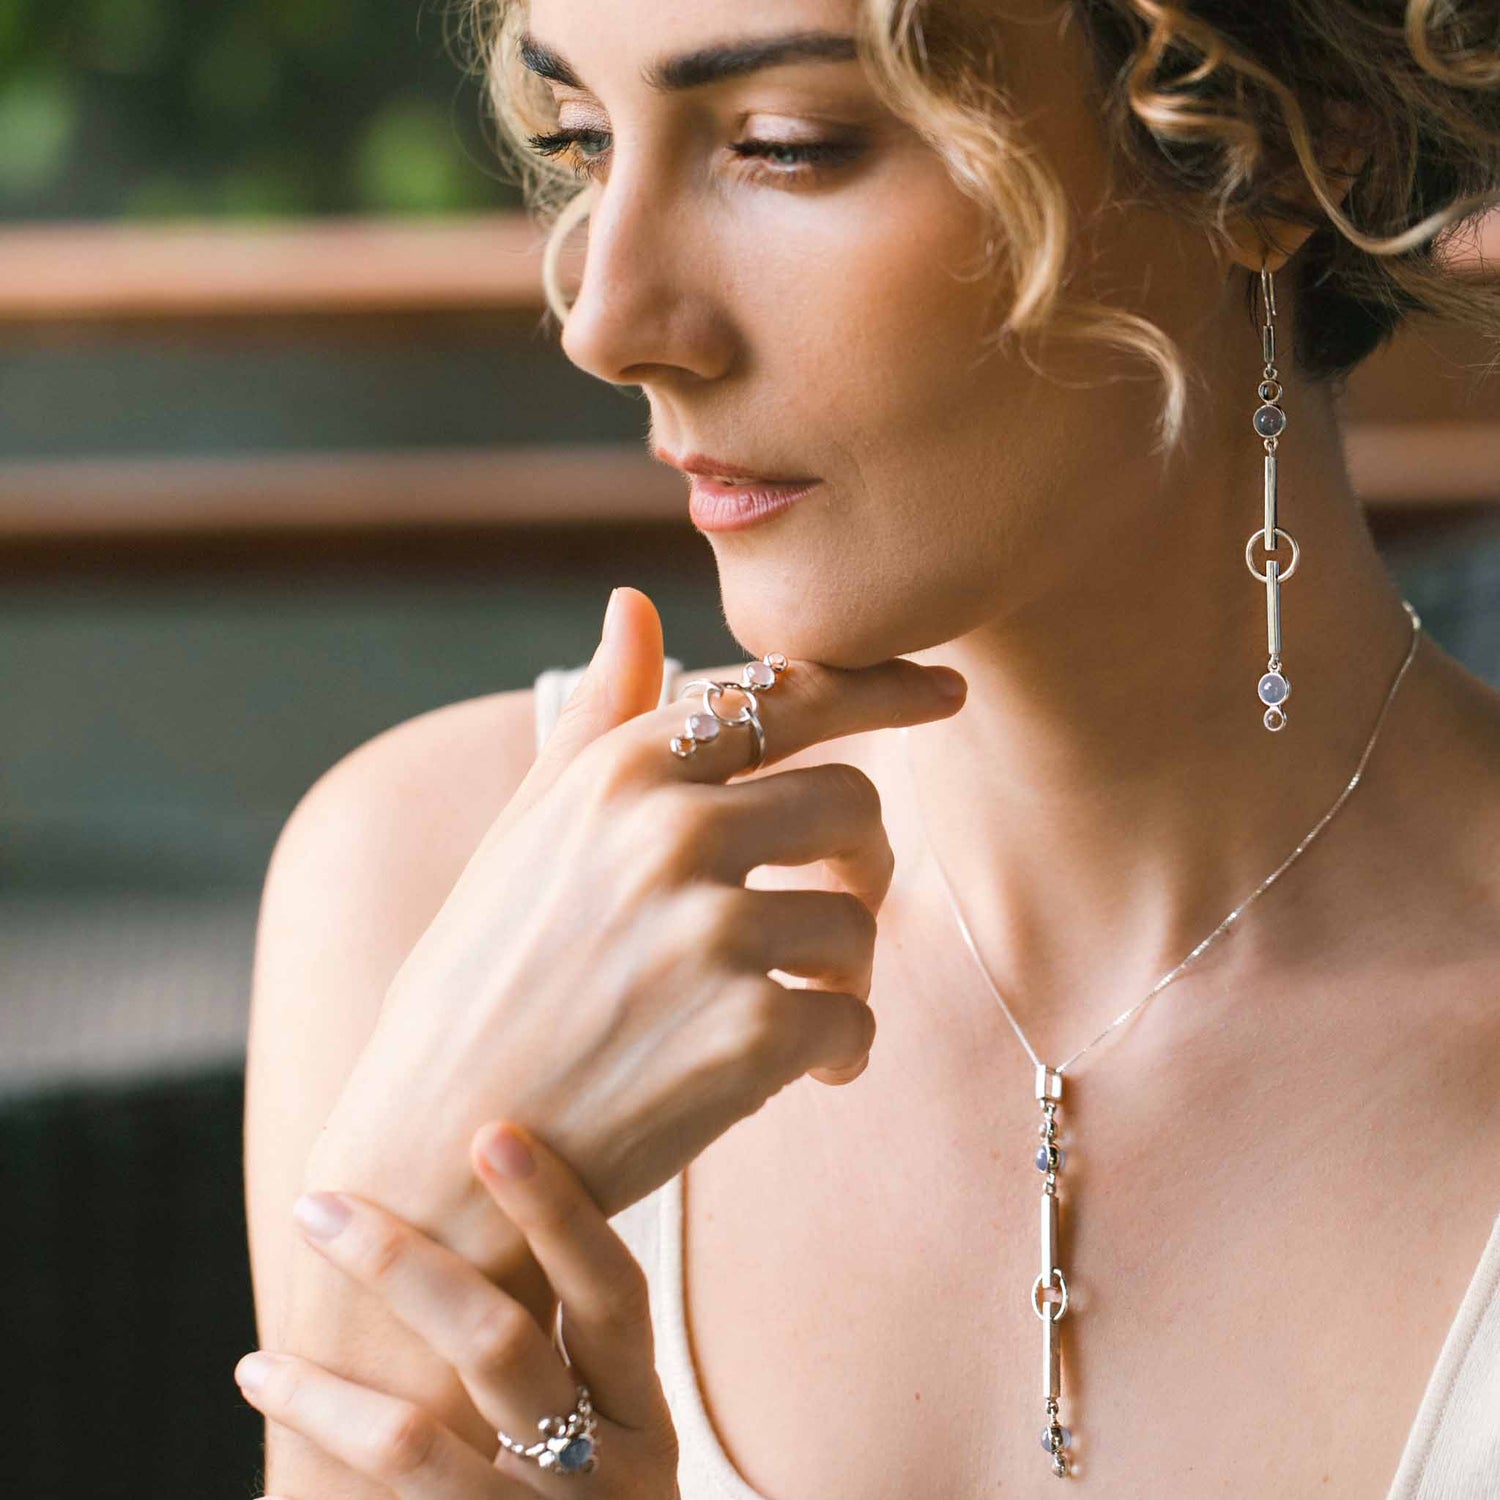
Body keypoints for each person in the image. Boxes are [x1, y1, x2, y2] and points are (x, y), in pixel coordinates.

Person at [237, 0, 1500, 1494]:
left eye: (788, 148)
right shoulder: (424, 888)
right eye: (583, 143)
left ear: (1279, 162)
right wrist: (388, 1280)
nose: (607, 319)